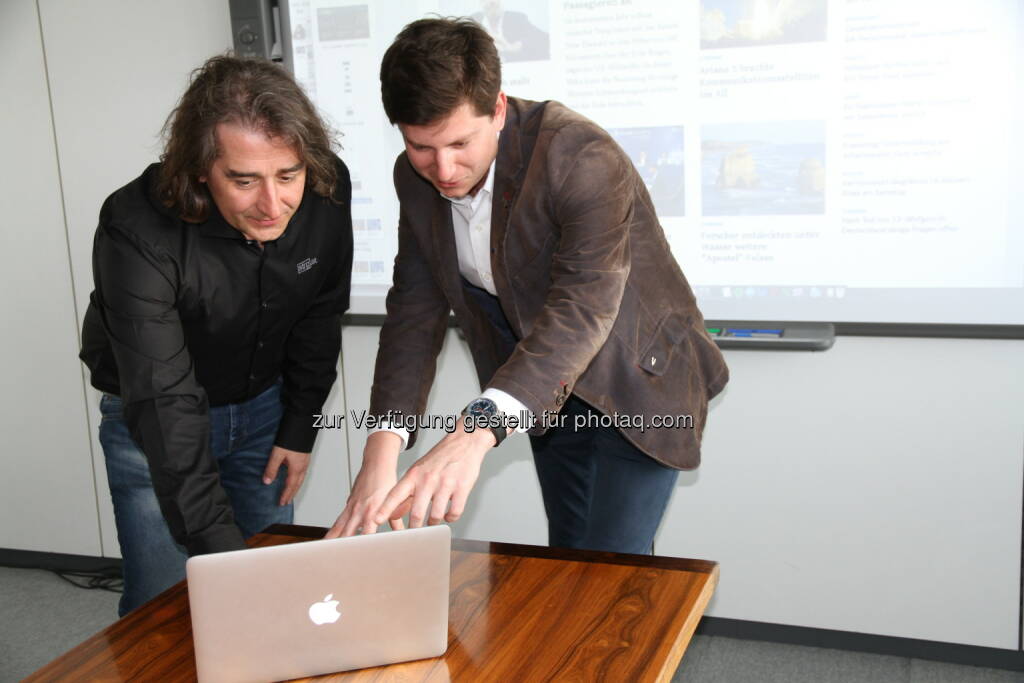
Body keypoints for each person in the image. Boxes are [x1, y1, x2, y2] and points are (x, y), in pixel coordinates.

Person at [327, 18, 728, 553]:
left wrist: (473, 432)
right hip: (540, 386)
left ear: (497, 109)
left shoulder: (579, 156)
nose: (442, 169)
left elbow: (583, 306)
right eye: (421, 147)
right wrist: (378, 457)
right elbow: (413, 315)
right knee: (565, 557)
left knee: (615, 566)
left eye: (460, 143)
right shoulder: (413, 177)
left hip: (636, 375)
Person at [79, 55, 353, 615]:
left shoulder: (327, 186)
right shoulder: (136, 228)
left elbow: (320, 316)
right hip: (154, 424)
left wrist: (299, 428)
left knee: (275, 598)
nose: (273, 205)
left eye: (288, 175)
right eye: (244, 180)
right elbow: (164, 398)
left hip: (264, 414)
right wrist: (227, 564)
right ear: (201, 168)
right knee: (162, 612)